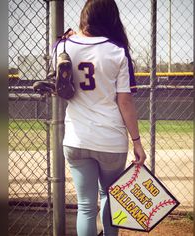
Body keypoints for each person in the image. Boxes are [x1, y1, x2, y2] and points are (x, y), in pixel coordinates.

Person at [54, 0, 146, 235]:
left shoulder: (63, 47)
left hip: (76, 139)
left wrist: (65, 37)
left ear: (85, 17)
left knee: (85, 206)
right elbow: (124, 101)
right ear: (111, 19)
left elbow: (57, 51)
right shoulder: (117, 51)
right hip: (110, 140)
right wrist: (136, 141)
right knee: (109, 196)